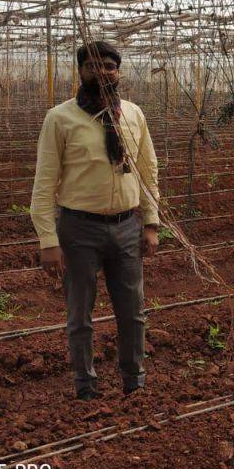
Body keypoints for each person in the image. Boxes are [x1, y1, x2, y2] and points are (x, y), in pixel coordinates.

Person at [30, 41, 160, 399]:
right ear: (81, 71)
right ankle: (85, 384)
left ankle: (134, 378)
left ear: (119, 71)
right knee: (80, 314)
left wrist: (150, 223)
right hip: (78, 229)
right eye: (92, 66)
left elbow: (148, 170)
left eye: (109, 66)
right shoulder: (60, 118)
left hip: (126, 226)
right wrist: (48, 241)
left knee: (133, 311)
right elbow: (44, 184)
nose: (102, 72)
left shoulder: (133, 115)